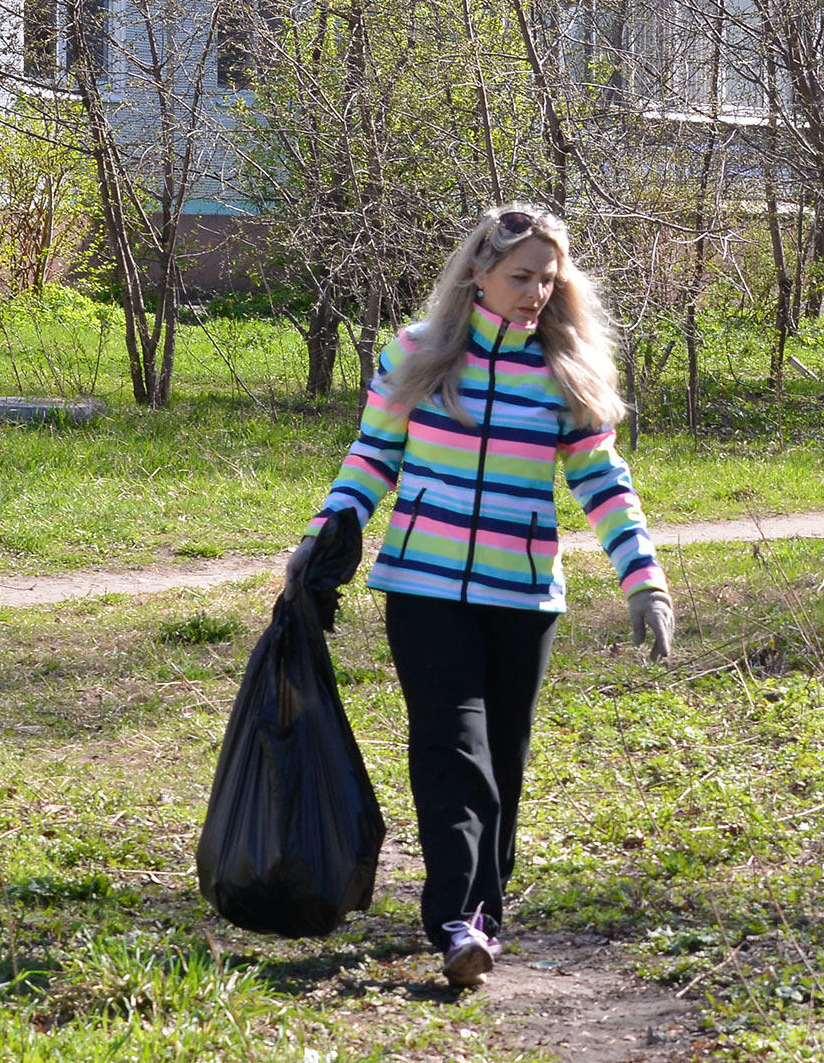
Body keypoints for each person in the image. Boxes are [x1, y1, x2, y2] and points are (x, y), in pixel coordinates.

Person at [284, 204, 675, 987]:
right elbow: (371, 457)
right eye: (521, 277)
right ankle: (457, 920)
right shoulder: (417, 356)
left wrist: (644, 578)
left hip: (522, 597)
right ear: (478, 275)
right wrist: (321, 538)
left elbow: (604, 483)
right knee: (450, 746)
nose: (535, 293)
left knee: (503, 757)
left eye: (547, 280)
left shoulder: (565, 372)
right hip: (423, 587)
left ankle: (484, 917)